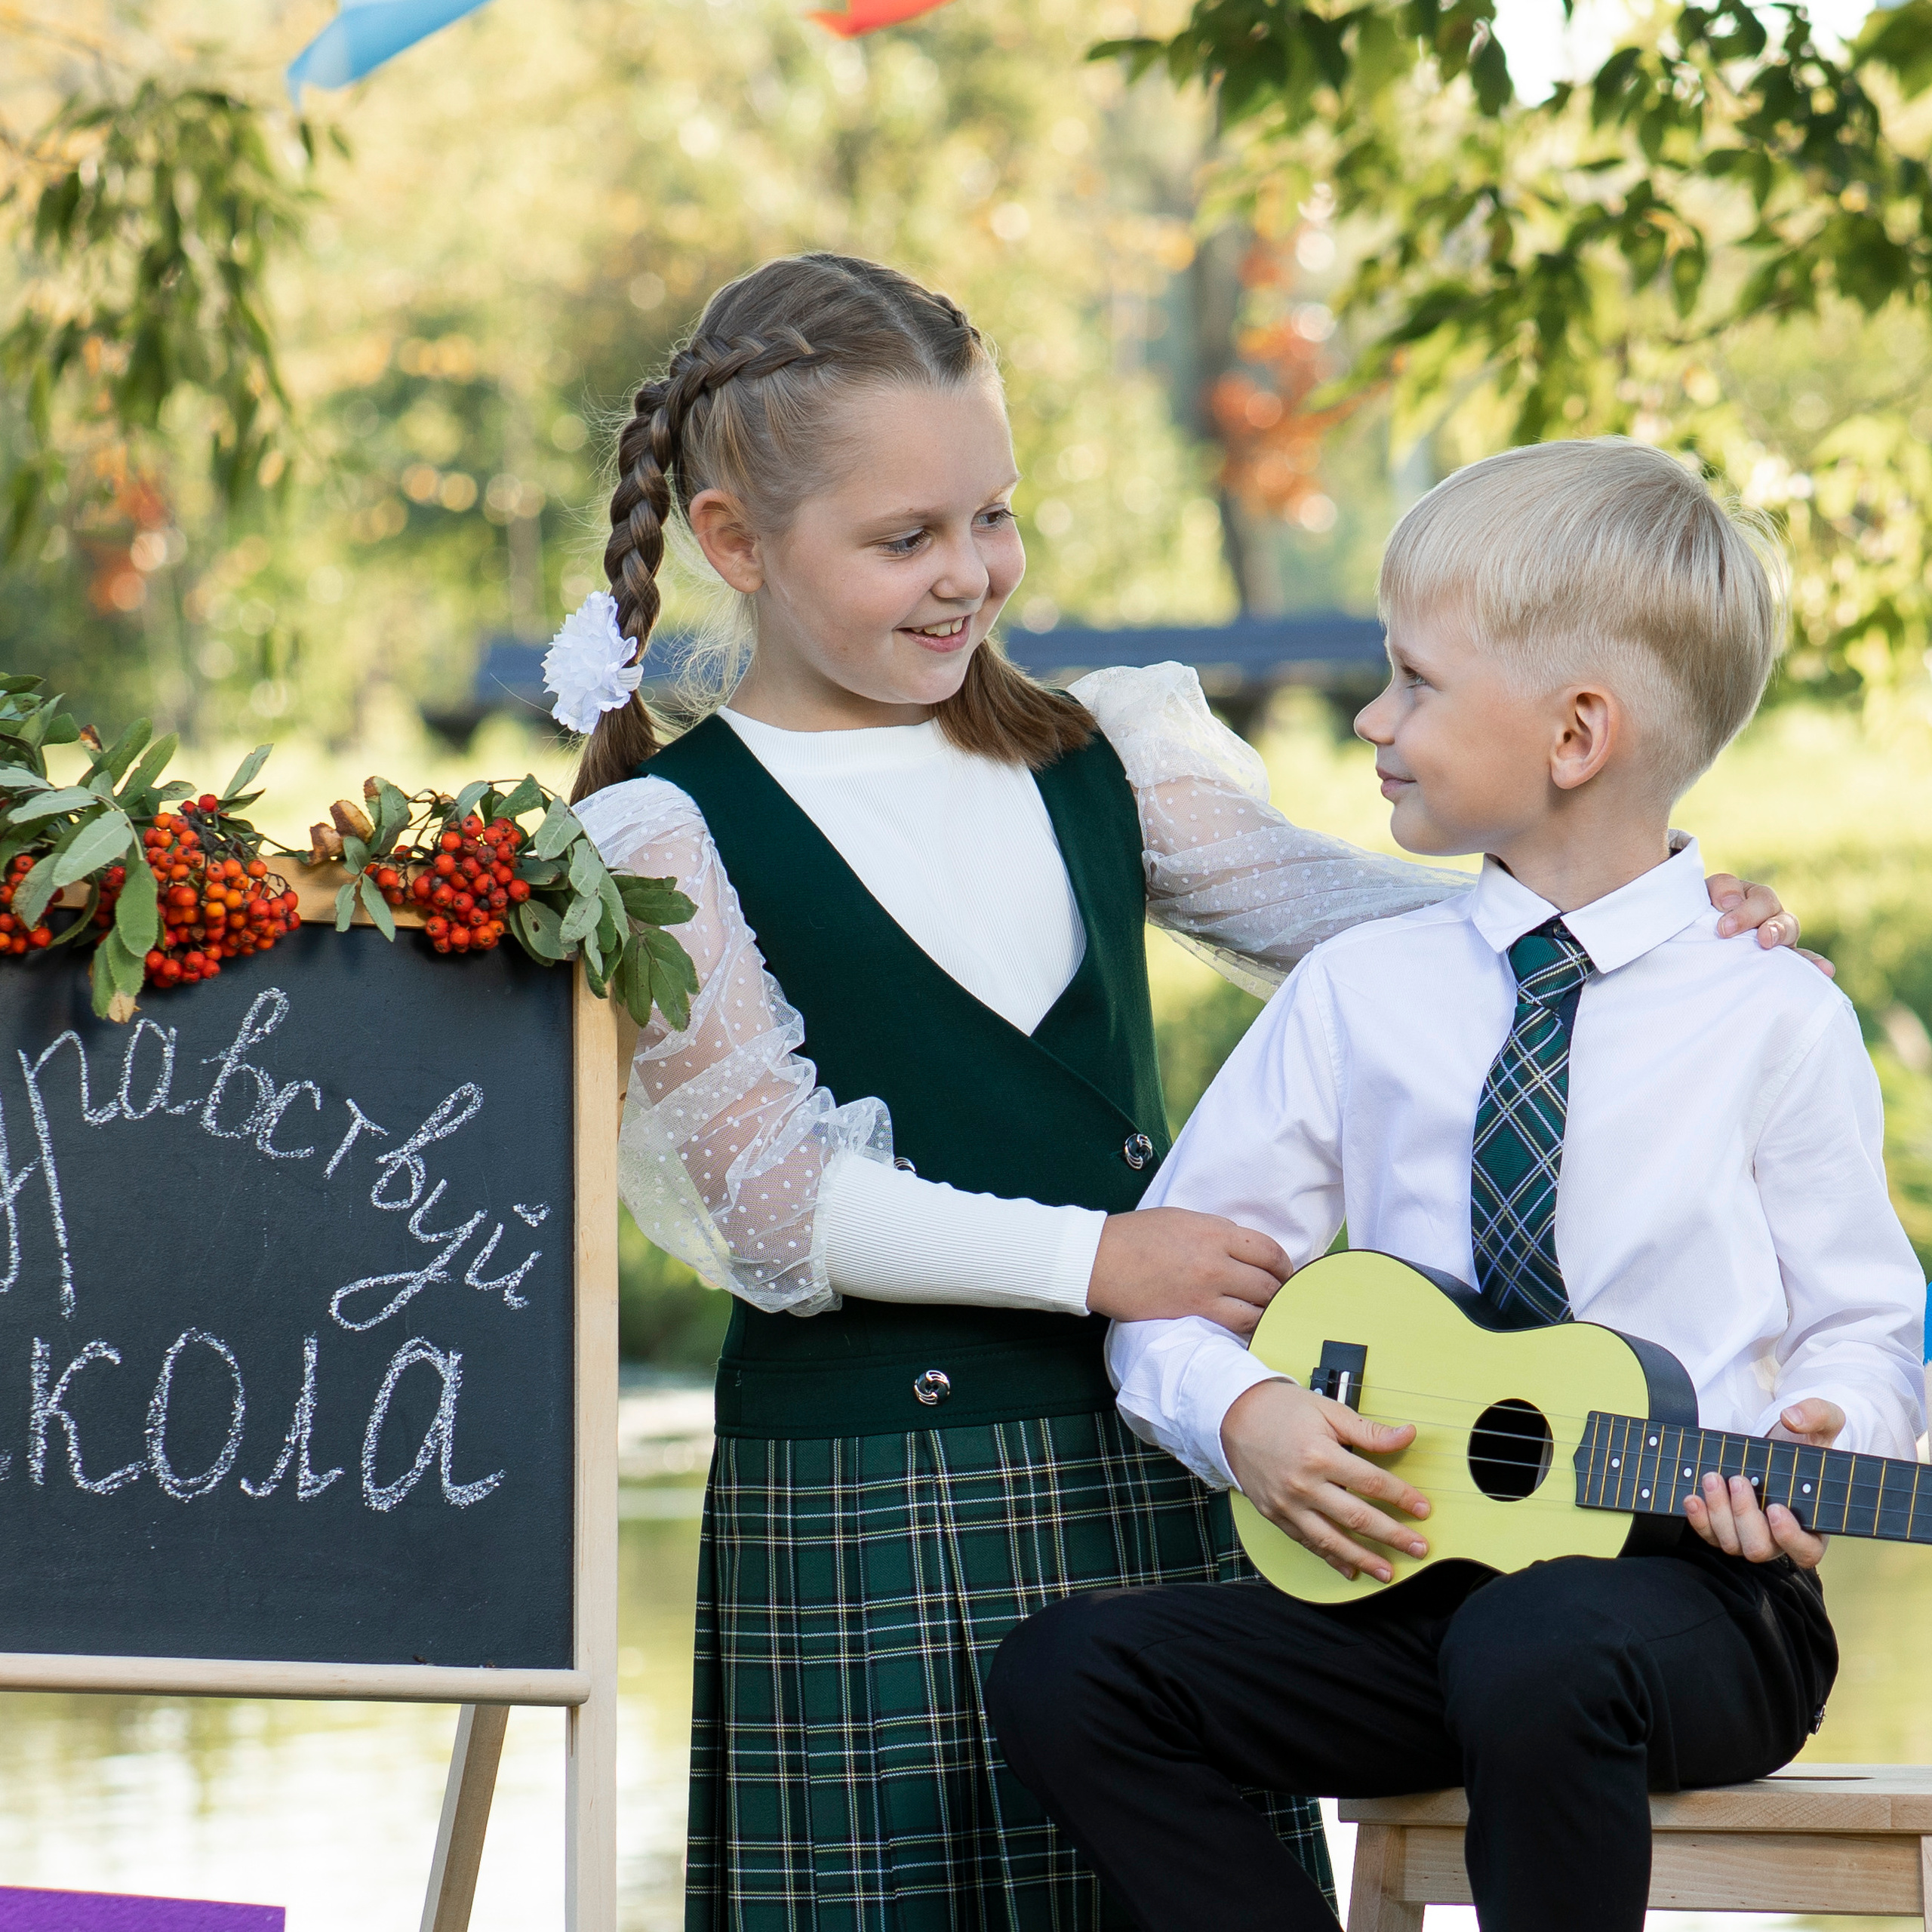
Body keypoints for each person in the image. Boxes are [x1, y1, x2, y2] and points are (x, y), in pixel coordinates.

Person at [554, 263, 1801, 1932]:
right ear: (732, 537)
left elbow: (1381, 925)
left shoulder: (1097, 759)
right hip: (860, 1485)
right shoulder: (660, 833)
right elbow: (778, 1194)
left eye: (988, 516)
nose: (965, 574)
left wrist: (1639, 913)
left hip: (1151, 1467)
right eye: (903, 537)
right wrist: (1104, 1257)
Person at [984, 437, 1927, 1932]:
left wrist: (1832, 1427)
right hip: (1410, 1593)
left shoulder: (1769, 1013)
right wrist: (1246, 1415)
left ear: (1573, 733)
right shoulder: (1360, 995)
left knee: (1539, 1641)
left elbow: (1864, 1322)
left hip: (1695, 1608)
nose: (1370, 713)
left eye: (1413, 680)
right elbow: (1181, 1286)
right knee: (1065, 1675)